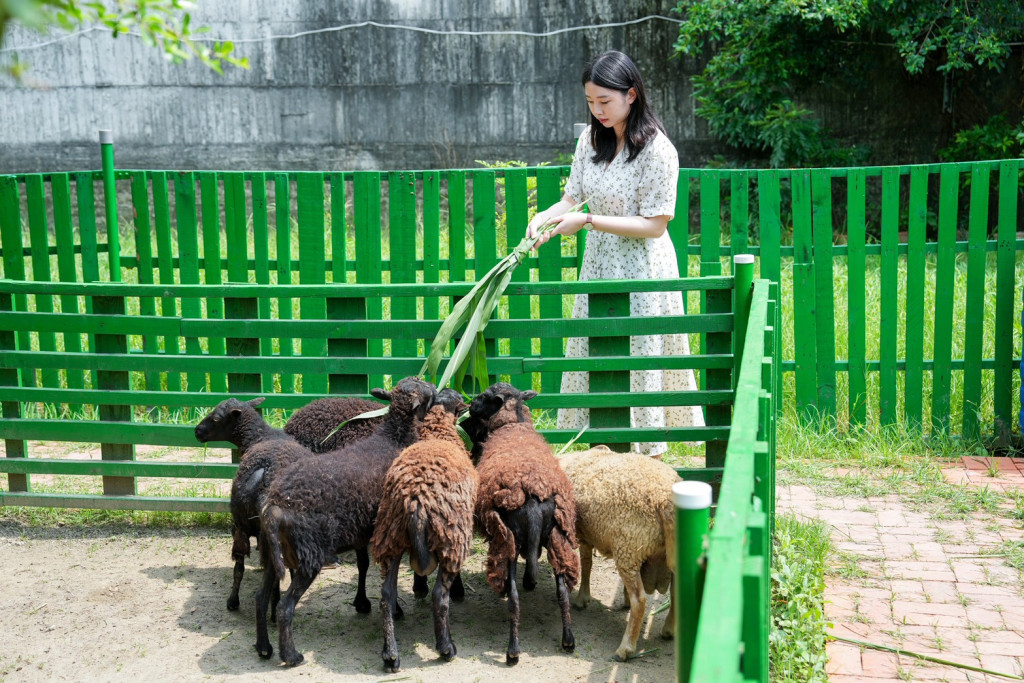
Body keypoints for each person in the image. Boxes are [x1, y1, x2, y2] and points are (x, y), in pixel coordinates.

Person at [526, 49, 704, 459]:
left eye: (605, 101)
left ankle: (649, 463)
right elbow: (572, 198)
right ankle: (600, 457)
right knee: (596, 355)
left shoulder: (659, 150)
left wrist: (588, 222)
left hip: (643, 268)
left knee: (642, 360)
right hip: (600, 266)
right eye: (590, 102)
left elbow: (656, 225)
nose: (597, 111)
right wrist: (544, 218)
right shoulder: (590, 142)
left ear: (632, 94)